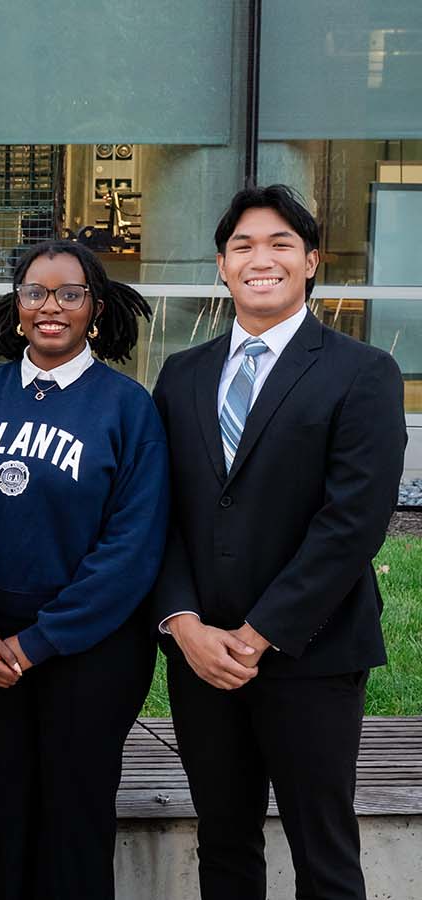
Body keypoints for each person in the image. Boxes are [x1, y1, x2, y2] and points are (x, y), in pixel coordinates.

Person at [151, 185, 406, 900]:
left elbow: (352, 522)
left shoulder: (362, 373)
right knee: (223, 843)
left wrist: (260, 633)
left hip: (311, 652)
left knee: (322, 850)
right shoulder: (182, 374)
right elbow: (158, 513)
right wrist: (182, 623)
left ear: (312, 261)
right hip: (201, 658)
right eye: (242, 247)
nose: (260, 259)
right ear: (223, 268)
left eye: (280, 244)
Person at [0, 239, 169, 900]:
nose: (51, 306)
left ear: (94, 309)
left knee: (75, 818)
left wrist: (40, 642)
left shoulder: (127, 408)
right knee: (7, 812)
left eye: (70, 293)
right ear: (17, 306)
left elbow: (133, 548)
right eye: (36, 291)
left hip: (92, 650)